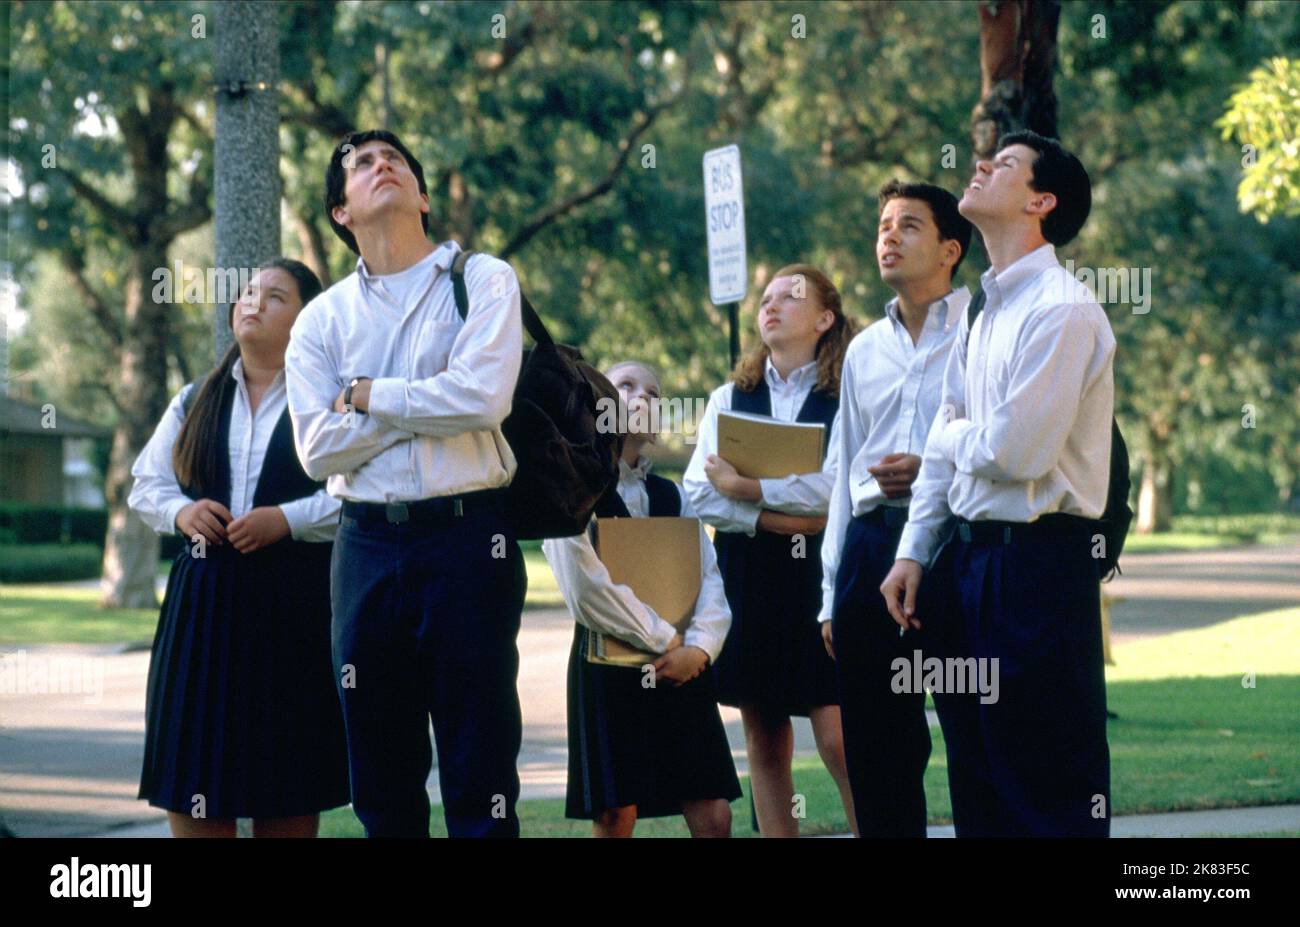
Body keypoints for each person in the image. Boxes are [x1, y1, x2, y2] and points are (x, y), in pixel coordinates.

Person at [284, 130, 527, 838]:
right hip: (363, 549)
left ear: (422, 196)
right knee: (382, 779)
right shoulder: (319, 321)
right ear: (341, 212)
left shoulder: (482, 280)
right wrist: (421, 402)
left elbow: (482, 400)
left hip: (468, 539)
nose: (380, 165)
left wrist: (363, 395)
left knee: (480, 769)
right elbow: (316, 449)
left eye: (395, 160)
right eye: (360, 164)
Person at [880, 131, 1115, 837]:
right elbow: (952, 458)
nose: (980, 166)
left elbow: (1017, 451)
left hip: (1040, 573)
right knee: (980, 784)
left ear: (1041, 202)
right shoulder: (985, 315)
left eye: (1004, 164)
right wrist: (913, 553)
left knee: (1045, 789)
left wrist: (950, 433)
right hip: (972, 571)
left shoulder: (1064, 310)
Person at [129, 258, 349, 837]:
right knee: (195, 773)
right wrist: (183, 511)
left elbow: (359, 492)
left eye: (275, 296)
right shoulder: (192, 399)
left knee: (288, 781)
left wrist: (288, 518)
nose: (252, 302)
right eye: (248, 293)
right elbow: (147, 484)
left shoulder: (328, 402)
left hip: (293, 608)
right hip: (201, 610)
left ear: (307, 320)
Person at [820, 180, 972, 837]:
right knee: (879, 750)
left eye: (909, 225)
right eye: (884, 224)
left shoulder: (981, 327)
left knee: (976, 734)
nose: (889, 236)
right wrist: (831, 592)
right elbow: (842, 468)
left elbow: (1009, 442)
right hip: (869, 550)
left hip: (956, 550)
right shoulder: (862, 351)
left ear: (950, 249)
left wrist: (935, 467)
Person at [684, 265, 858, 837]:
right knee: (762, 727)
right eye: (766, 298)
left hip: (825, 574)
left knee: (836, 731)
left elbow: (841, 487)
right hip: (751, 572)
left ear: (825, 318)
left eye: (790, 297)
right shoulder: (729, 397)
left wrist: (750, 487)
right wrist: (771, 517)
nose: (772, 306)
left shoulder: (847, 393)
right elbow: (696, 493)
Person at [543, 361, 741, 837]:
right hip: (606, 663)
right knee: (615, 813)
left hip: (682, 665)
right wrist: (663, 638)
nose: (641, 397)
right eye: (625, 385)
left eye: (654, 393)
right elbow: (584, 589)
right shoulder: (573, 488)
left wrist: (699, 649)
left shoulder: (672, 495)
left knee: (713, 810)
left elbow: (708, 579)